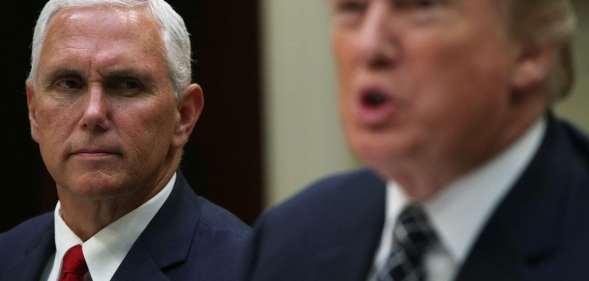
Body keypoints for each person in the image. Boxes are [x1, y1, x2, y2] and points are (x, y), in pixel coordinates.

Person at [244, 0, 589, 280]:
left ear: (530, 49)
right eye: (352, 9)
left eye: (420, 6)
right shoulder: (288, 238)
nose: (369, 45)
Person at [0, 0, 250, 280]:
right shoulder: (6, 256)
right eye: (69, 83)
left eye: (127, 85)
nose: (93, 113)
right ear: (34, 111)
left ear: (184, 115)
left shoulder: (249, 270)